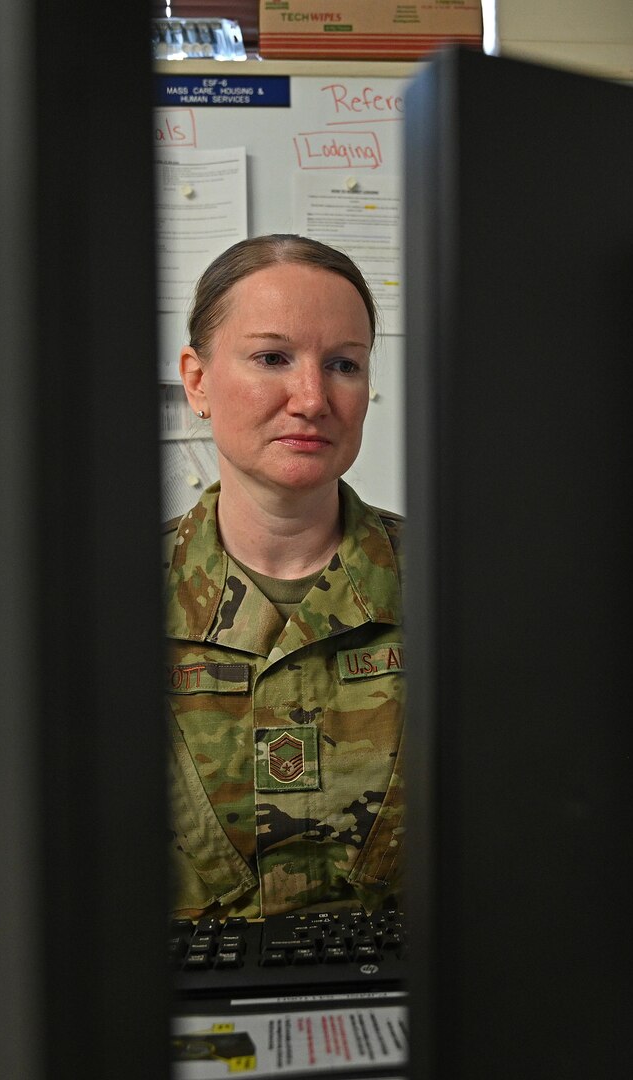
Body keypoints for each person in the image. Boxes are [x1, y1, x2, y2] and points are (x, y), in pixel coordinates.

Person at [164, 235, 404, 919]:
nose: (311, 398)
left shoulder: (459, 584)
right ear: (198, 380)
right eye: (272, 358)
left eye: (343, 365)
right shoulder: (103, 596)